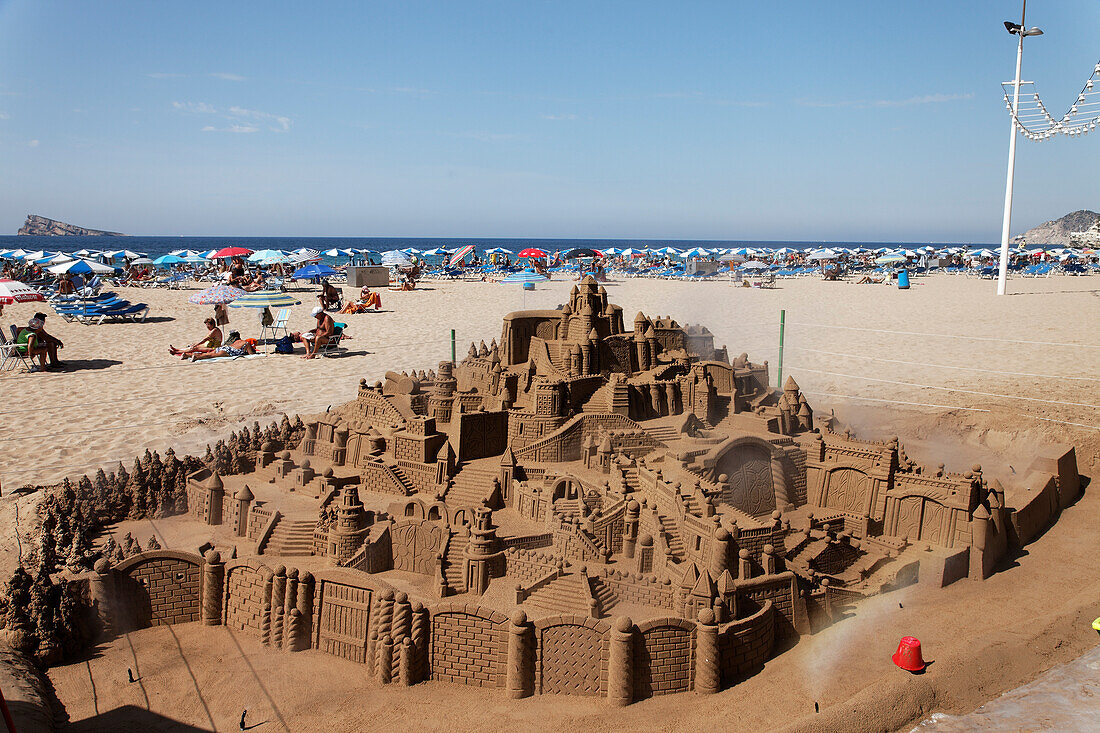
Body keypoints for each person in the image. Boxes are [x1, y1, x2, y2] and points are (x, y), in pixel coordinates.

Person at [188, 330, 256, 361]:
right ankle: (196, 357)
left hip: (224, 348)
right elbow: (251, 354)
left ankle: (187, 355)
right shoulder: (246, 343)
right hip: (227, 351)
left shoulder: (236, 341)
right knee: (210, 355)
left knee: (210, 353)